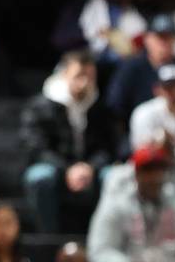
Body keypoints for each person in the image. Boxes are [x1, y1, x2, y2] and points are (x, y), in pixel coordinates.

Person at [20, 50, 120, 234]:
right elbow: (35, 147)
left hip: (90, 170)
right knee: (39, 177)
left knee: (113, 176)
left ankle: (103, 236)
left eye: (90, 76)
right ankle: (48, 238)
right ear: (64, 75)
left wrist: (90, 167)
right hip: (55, 168)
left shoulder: (100, 107)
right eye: (79, 76)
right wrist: (67, 169)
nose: (85, 83)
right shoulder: (40, 106)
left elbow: (109, 145)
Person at [87, 144, 175, 262]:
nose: (155, 177)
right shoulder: (116, 205)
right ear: (136, 174)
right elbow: (99, 252)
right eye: (148, 171)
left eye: (160, 170)